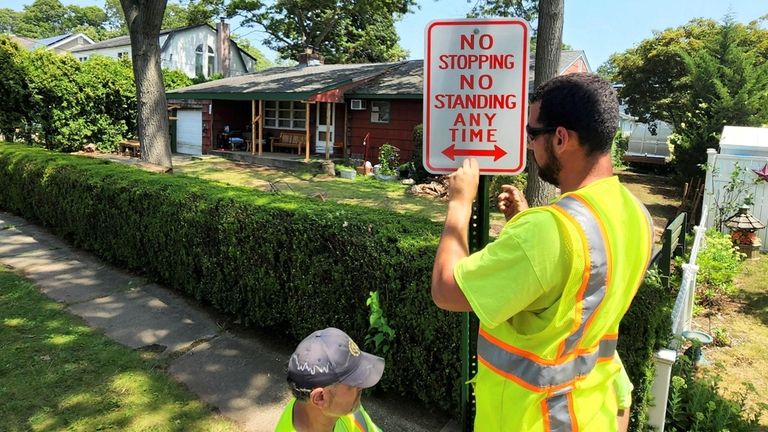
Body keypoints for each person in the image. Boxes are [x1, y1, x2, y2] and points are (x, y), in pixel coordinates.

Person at [430, 73, 653, 431]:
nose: (529, 145)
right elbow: (578, 294)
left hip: (537, 419)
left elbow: (445, 290)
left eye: (532, 135)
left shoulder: (547, 232)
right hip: (597, 410)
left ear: (561, 138)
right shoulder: (636, 214)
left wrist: (459, 203)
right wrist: (523, 220)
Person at [275, 327, 384, 432]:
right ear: (320, 397)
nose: (361, 385)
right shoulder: (345, 407)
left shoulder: (348, 411)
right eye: (353, 383)